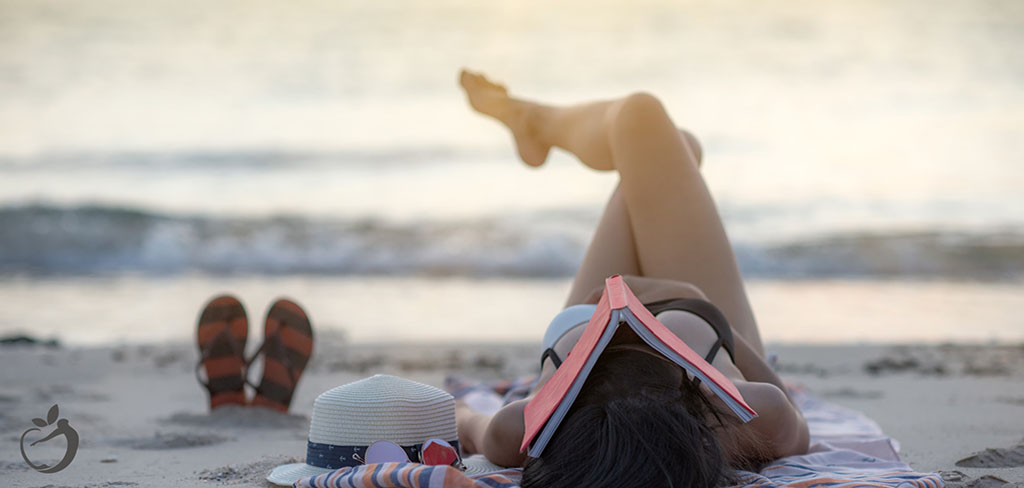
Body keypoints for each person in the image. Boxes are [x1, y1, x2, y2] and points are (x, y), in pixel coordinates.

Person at [454, 69, 810, 487]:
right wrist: (690, 298)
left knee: (654, 137)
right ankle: (536, 122)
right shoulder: (742, 419)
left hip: (594, 306)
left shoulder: (522, 431)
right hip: (699, 309)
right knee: (654, 133)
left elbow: (458, 416)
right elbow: (795, 420)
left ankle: (534, 124)